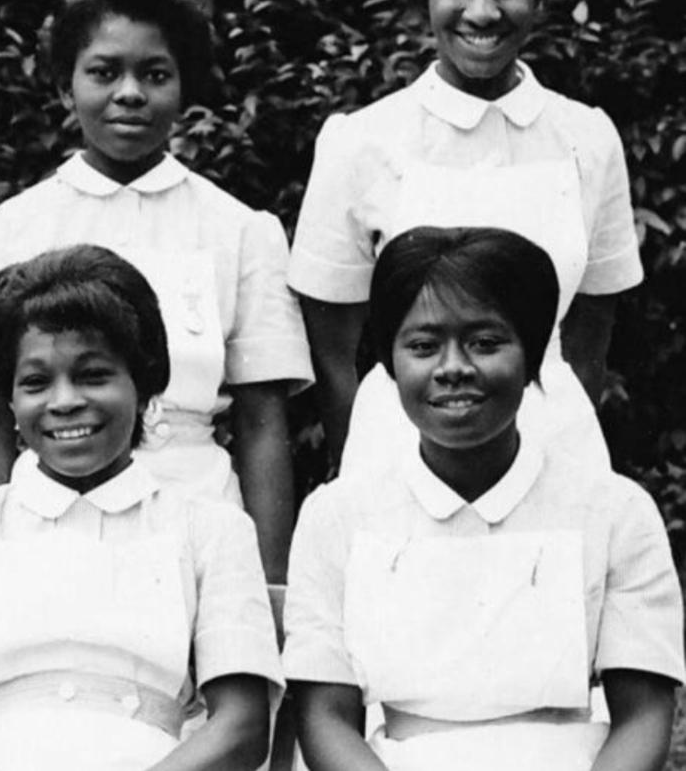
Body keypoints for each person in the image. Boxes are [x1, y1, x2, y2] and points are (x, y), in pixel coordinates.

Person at [0, 0, 312, 584]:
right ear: (64, 87)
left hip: (198, 526)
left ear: (182, 86)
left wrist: (268, 585)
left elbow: (263, 423)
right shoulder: (6, 231)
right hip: (45, 523)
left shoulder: (240, 230)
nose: (129, 93)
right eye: (104, 72)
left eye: (154, 74)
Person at [0, 245, 283, 771]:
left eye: (92, 375)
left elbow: (241, 727)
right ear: (10, 400)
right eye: (36, 382)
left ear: (144, 383)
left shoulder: (211, 531)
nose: (64, 401)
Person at [283, 227, 684, 771]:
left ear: (533, 354)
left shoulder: (615, 512)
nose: (453, 368)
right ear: (390, 362)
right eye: (423, 346)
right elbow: (325, 718)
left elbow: (643, 718)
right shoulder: (337, 517)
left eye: (485, 343)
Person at [287, 0, 642, 474]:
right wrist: (362, 477)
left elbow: (590, 338)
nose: (482, 11)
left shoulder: (588, 138)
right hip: (400, 454)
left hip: (557, 452)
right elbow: (334, 354)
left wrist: (574, 469)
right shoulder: (360, 142)